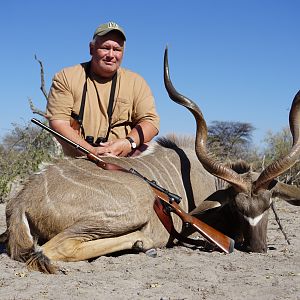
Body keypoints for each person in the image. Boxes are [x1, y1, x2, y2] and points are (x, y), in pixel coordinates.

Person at [46, 21, 160, 157]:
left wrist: (128, 143)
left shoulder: (137, 82)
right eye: (105, 48)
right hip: (78, 160)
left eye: (117, 49)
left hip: (123, 160)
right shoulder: (66, 77)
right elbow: (58, 122)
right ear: (91, 48)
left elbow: (151, 122)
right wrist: (91, 151)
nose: (111, 55)